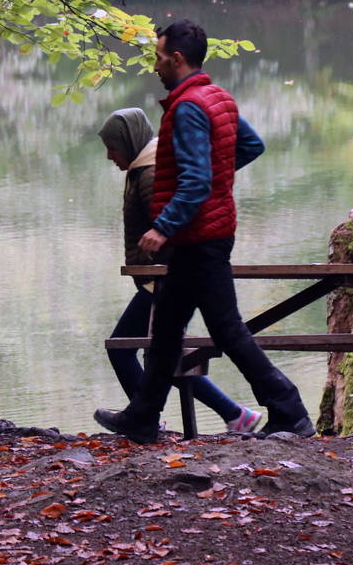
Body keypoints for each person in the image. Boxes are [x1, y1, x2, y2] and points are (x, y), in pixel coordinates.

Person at [94, 20, 315, 443]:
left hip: (198, 237)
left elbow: (195, 179)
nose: (155, 66)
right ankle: (142, 416)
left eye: (158, 58)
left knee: (228, 331)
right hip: (202, 234)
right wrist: (214, 186)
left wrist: (164, 226)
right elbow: (250, 146)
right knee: (166, 333)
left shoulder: (189, 107)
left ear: (177, 59)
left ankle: (290, 410)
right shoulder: (218, 98)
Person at [98, 108, 260, 434]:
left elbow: (176, 226)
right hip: (157, 280)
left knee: (124, 348)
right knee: (164, 355)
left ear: (129, 142)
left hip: (163, 281)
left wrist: (168, 272)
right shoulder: (145, 169)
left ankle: (144, 422)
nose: (109, 156)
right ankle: (235, 415)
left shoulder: (150, 174)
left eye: (112, 147)